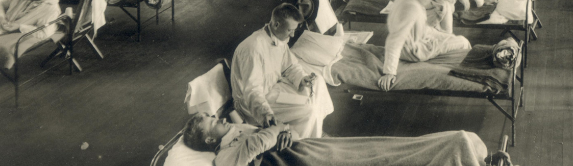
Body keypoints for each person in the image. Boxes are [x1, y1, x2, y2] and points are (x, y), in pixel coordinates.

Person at [180, 116, 488, 166]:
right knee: (377, 159)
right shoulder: (223, 158)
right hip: (304, 162)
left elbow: (278, 133)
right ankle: (457, 151)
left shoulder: (238, 131)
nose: (218, 118)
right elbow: (257, 145)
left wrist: (282, 131)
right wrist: (275, 131)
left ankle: (457, 147)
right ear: (208, 138)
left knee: (381, 148)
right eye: (212, 121)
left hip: (309, 148)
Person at [230, 4, 333, 139]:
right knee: (308, 110)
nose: (293, 34)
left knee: (317, 80)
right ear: (277, 24)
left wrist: (302, 78)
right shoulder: (253, 49)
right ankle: (306, 143)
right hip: (253, 104)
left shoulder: (279, 38)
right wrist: (265, 112)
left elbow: (290, 66)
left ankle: (314, 129)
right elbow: (252, 91)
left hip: (272, 90)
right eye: (290, 30)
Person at [378, 0, 472, 91]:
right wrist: (389, 72)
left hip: (419, 37)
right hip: (414, 51)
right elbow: (394, 40)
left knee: (451, 37)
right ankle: (468, 72)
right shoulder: (411, 9)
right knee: (463, 42)